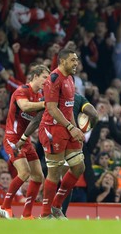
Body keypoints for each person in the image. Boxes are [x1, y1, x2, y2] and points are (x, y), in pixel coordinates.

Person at [0, 65, 50, 220]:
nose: (47, 81)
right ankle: (4, 207)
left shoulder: (40, 95)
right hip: (11, 138)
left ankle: (26, 214)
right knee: (25, 172)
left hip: (25, 140)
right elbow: (25, 106)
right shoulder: (21, 91)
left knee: (38, 177)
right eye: (44, 77)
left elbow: (38, 120)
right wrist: (46, 104)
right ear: (35, 76)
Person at [38, 49, 85, 219]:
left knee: (79, 167)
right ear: (62, 61)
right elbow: (51, 108)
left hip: (67, 128)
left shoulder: (71, 79)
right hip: (52, 129)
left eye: (77, 60)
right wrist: (71, 127)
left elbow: (68, 107)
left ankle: (57, 206)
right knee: (55, 172)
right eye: (72, 60)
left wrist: (75, 129)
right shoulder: (53, 79)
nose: (76, 63)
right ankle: (45, 214)